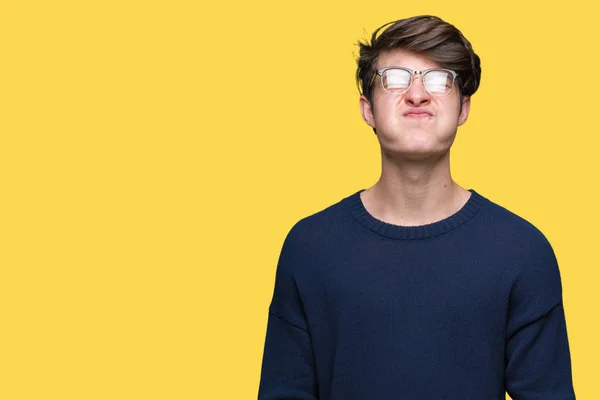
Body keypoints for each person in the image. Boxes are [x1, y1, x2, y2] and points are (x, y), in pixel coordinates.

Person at [257, 15, 576, 399]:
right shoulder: (309, 247)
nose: (418, 93)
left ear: (463, 109)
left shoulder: (522, 251)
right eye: (395, 78)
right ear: (367, 109)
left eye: (440, 79)